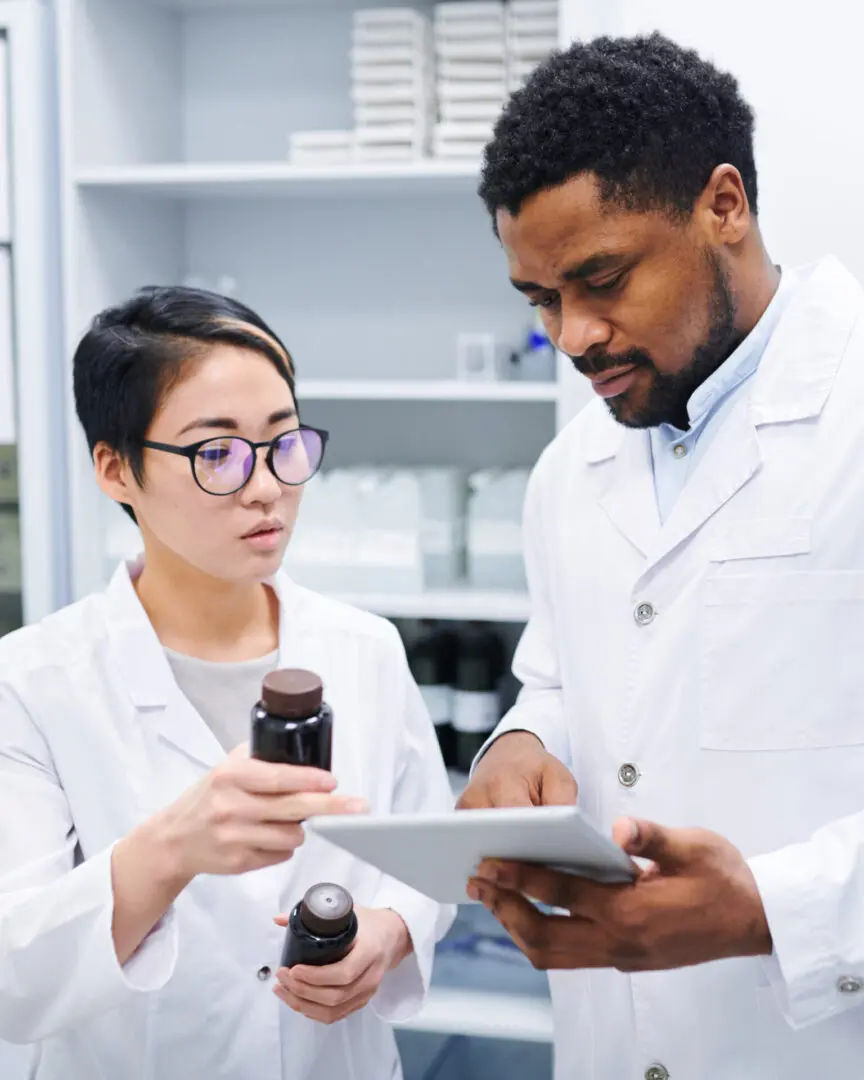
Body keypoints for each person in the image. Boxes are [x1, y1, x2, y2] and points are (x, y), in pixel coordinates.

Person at [458, 31, 864, 1080]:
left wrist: (776, 910)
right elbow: (562, 679)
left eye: (601, 279)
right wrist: (518, 742)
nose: (574, 335)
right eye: (541, 301)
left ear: (722, 205)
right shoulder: (569, 474)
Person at [0, 286, 454, 1080]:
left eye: (284, 443)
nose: (266, 487)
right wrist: (172, 849)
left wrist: (391, 931)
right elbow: (14, 974)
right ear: (116, 469)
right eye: (216, 454)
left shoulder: (366, 649)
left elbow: (427, 857)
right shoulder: (32, 683)